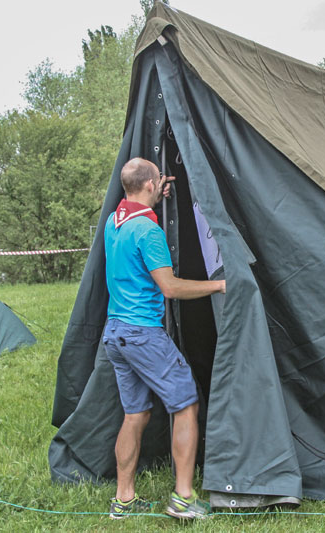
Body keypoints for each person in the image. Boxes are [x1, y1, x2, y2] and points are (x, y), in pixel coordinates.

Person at [102, 157, 226, 520]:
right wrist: (218, 284)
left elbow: (137, 206)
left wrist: (155, 192)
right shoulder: (149, 232)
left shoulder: (114, 222)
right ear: (149, 186)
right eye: (158, 181)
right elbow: (170, 288)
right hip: (143, 334)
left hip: (116, 333)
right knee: (186, 404)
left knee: (135, 414)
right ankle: (183, 499)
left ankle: (123, 500)